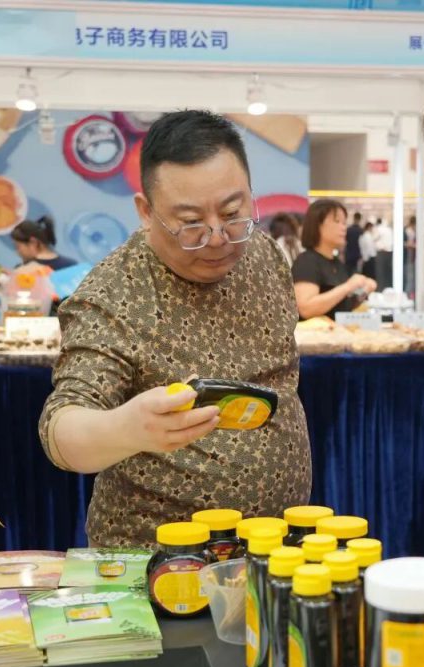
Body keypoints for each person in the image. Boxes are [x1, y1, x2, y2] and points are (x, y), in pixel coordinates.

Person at [39, 110, 312, 547]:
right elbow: (62, 427)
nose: (218, 238)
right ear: (146, 212)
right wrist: (126, 429)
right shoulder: (113, 293)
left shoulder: (263, 253)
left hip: (273, 547)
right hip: (160, 558)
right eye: (191, 223)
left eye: (232, 212)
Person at [292, 199, 376, 320]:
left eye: (344, 223)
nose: (343, 227)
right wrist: (348, 286)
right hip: (317, 332)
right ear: (318, 224)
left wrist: (364, 291)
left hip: (338, 330)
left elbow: (344, 306)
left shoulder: (337, 263)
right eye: (337, 221)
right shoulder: (306, 261)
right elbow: (306, 308)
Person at [372, 217, 394, 290]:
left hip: (381, 252)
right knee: (388, 273)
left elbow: (374, 238)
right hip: (389, 252)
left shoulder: (378, 229)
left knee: (380, 273)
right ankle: (388, 289)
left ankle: (380, 289)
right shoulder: (388, 229)